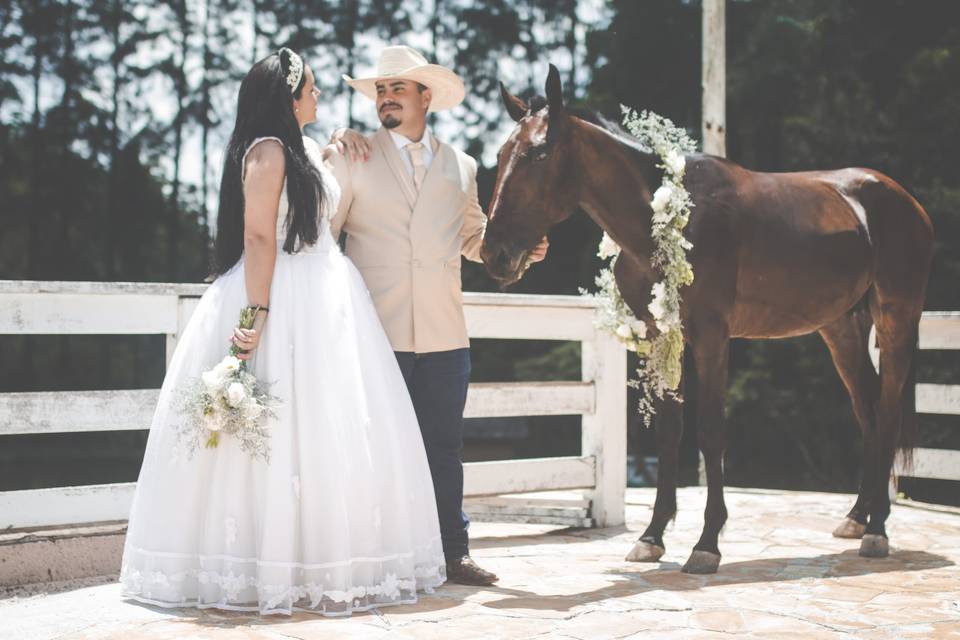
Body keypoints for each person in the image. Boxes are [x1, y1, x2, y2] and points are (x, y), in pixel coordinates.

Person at [120, 48, 445, 616]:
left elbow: (311, 193)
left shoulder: (297, 151)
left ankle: (309, 558)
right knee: (269, 433)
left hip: (329, 300)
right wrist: (256, 316)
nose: (319, 97)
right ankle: (259, 562)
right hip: (281, 295)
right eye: (312, 89)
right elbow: (258, 238)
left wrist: (338, 140)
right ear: (288, 98)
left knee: (324, 432)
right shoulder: (267, 152)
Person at [327, 45, 548, 586]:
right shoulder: (351, 155)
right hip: (374, 334)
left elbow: (473, 237)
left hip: (445, 333)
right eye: (380, 90)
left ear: (426, 97)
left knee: (444, 447)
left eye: (396, 89)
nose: (385, 99)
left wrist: (520, 248)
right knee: (375, 447)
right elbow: (320, 238)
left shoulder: (462, 165)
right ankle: (374, 552)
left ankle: (454, 552)